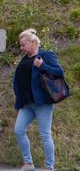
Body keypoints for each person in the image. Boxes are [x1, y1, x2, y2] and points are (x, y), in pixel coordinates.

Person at [13, 29, 64, 171]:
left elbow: (59, 72)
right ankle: (28, 164)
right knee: (18, 130)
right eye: (21, 45)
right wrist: (18, 101)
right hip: (27, 104)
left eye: (23, 45)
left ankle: (49, 167)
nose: (21, 48)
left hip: (42, 104)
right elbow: (18, 80)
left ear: (33, 42)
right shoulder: (25, 59)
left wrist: (42, 66)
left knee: (45, 134)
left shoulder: (46, 55)